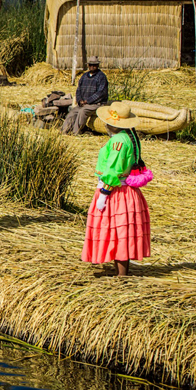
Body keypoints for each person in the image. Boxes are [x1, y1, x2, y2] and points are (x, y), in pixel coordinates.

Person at [82, 102, 151, 277]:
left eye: (107, 121)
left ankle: (122, 276)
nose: (105, 124)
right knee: (121, 230)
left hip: (116, 191)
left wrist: (104, 193)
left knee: (118, 230)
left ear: (114, 123)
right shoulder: (129, 136)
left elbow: (113, 169)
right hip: (126, 191)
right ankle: (120, 271)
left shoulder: (118, 141)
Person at [62, 56, 108, 135]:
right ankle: (64, 131)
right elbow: (78, 90)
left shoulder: (101, 77)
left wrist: (88, 101)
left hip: (96, 104)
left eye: (94, 65)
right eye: (90, 65)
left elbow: (101, 93)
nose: (92, 67)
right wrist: (79, 100)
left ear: (97, 66)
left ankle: (76, 132)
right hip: (83, 104)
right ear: (88, 65)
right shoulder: (84, 76)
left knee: (82, 112)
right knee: (72, 113)